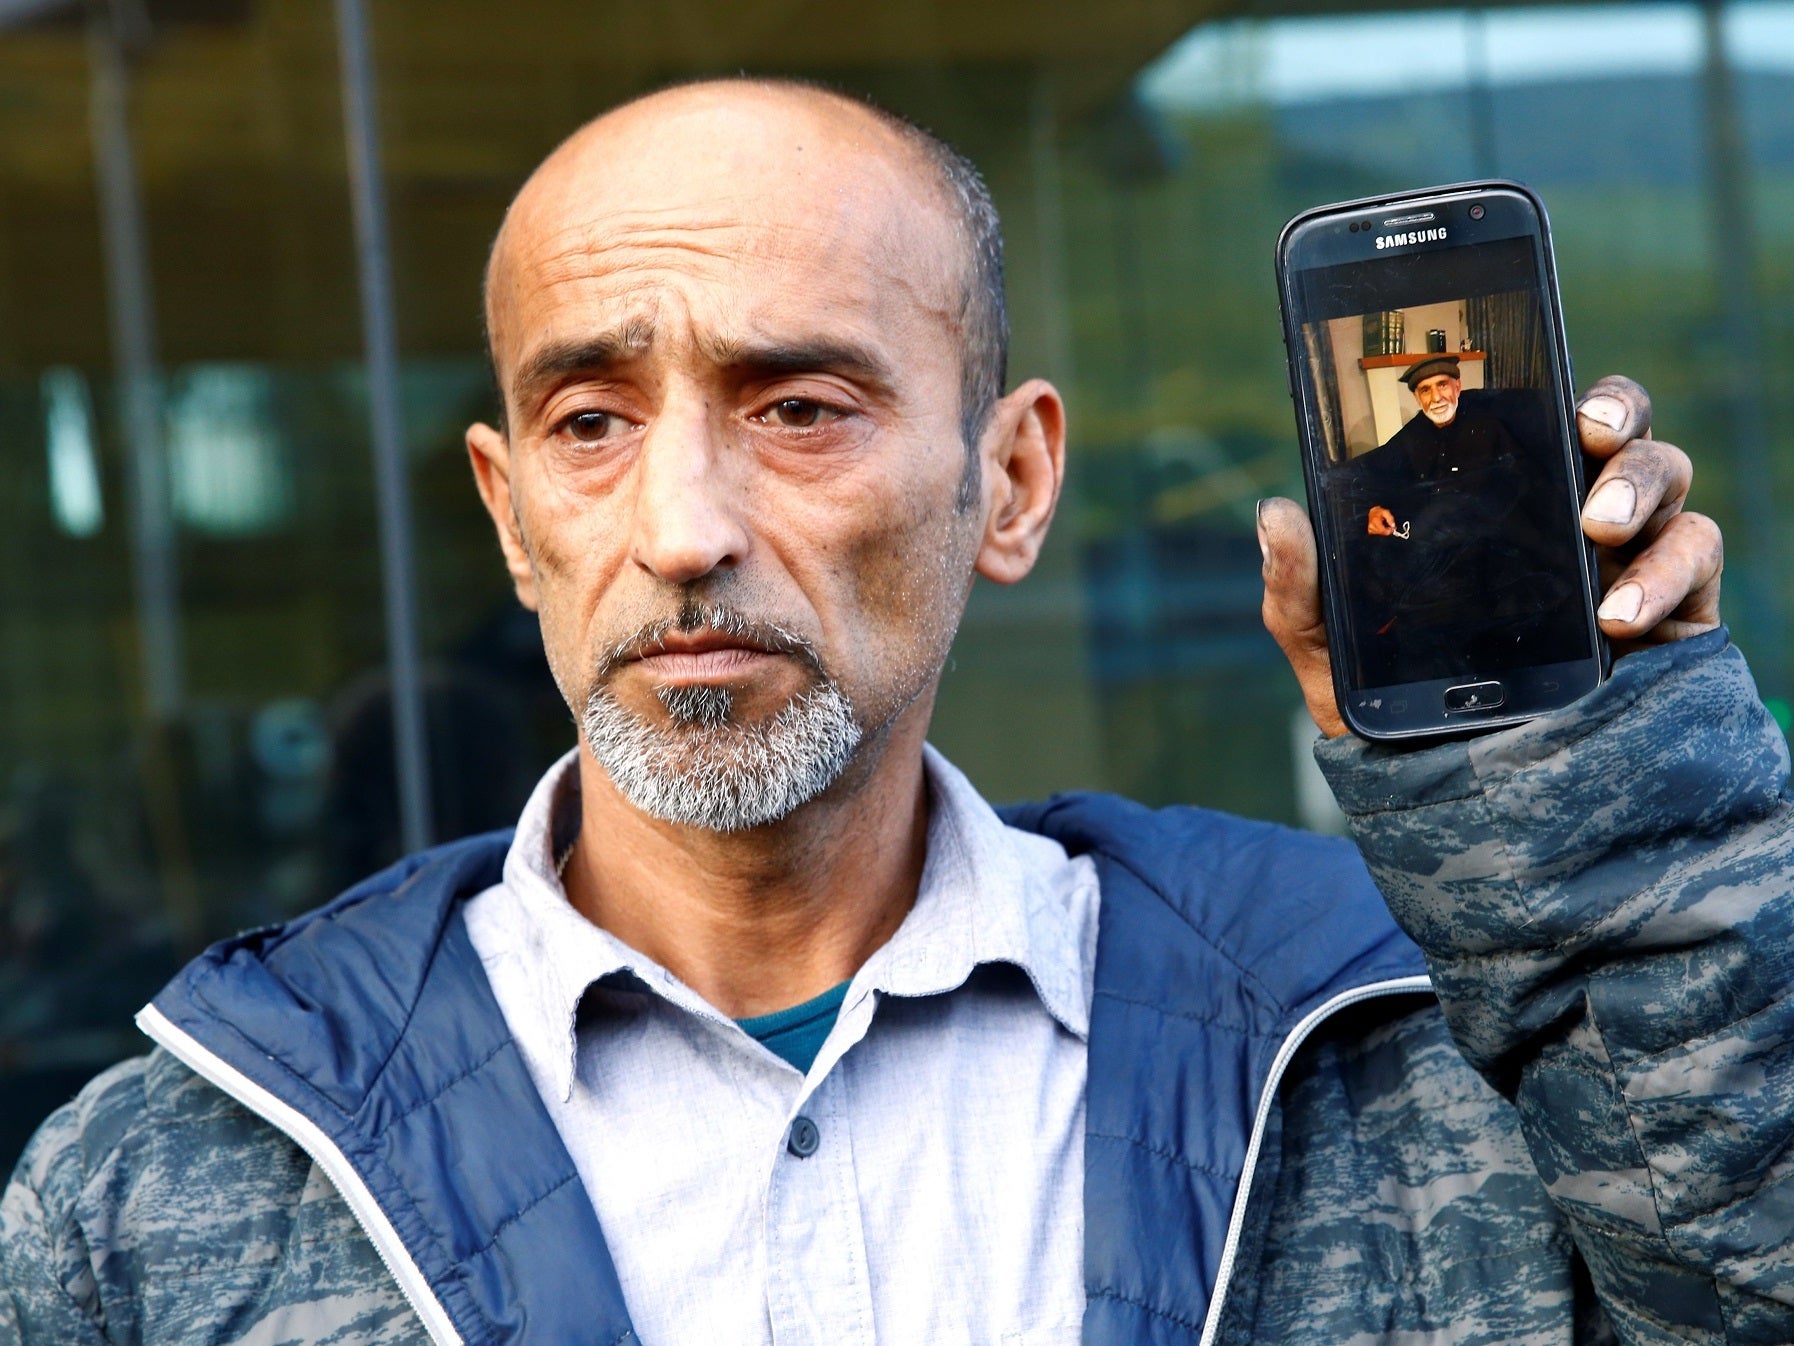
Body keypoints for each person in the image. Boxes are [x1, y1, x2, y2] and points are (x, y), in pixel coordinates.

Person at [1, 78, 1779, 1346]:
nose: (682, 529)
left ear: (1008, 484)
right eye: (590, 423)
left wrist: (1609, 834)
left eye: (798, 407)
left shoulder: (1390, 1061)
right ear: (508, 515)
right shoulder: (157, 1197)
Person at [1328, 354, 1588, 685]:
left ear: (1458, 386)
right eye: (1425, 390)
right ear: (1417, 398)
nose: (1436, 398)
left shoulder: (1490, 426)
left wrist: (1476, 518)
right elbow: (1371, 477)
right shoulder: (1411, 437)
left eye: (1442, 386)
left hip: (1497, 538)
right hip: (1432, 558)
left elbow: (1524, 481)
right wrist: (1372, 510)